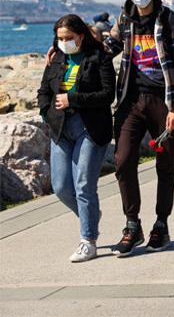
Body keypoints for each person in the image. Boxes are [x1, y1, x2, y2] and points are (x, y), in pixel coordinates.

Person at [103, 0, 174, 257]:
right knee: (123, 160)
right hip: (131, 99)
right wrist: (69, 49)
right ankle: (132, 224)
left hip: (162, 102)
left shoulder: (171, 20)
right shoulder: (125, 18)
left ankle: (161, 224)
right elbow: (108, 48)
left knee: (166, 164)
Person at [37, 14, 115, 262]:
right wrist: (46, 113)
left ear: (81, 36)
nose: (64, 42)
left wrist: (73, 99)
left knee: (83, 185)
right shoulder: (56, 58)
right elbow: (43, 91)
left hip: (89, 128)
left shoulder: (99, 58)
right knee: (60, 187)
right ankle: (90, 215)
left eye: (68, 38)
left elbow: (107, 94)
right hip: (60, 129)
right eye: (60, 38)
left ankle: (88, 241)